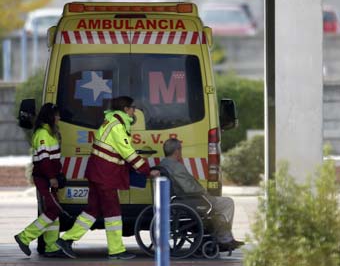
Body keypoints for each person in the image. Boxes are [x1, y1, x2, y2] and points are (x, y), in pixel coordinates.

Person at [56, 96, 159, 260]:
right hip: (105, 176)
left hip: (98, 173)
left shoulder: (110, 122)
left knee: (93, 210)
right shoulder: (117, 127)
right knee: (113, 212)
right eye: (133, 107)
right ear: (125, 109)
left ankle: (66, 240)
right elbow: (128, 152)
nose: (135, 111)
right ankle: (116, 250)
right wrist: (147, 171)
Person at [159, 138, 244, 250]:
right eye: (180, 150)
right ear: (177, 151)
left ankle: (223, 236)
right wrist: (203, 191)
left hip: (181, 200)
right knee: (227, 203)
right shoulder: (177, 167)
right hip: (190, 200)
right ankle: (224, 238)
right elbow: (189, 188)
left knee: (223, 203)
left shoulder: (163, 163)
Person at [14, 103, 64, 257]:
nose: (59, 118)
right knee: (53, 210)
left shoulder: (49, 133)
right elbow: (44, 161)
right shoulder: (43, 134)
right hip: (45, 179)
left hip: (48, 178)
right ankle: (24, 237)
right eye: (56, 115)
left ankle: (51, 247)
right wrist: (52, 178)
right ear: (50, 116)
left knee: (52, 211)